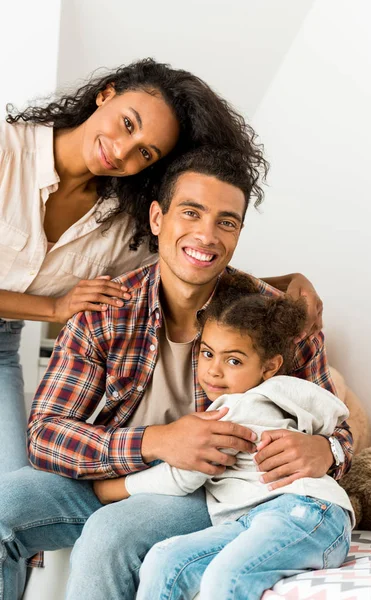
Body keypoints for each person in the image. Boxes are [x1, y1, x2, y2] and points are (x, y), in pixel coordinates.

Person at [0, 148, 352, 600]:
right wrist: (155, 441)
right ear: (157, 219)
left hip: (212, 491)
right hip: (115, 471)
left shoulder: (276, 322)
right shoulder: (104, 312)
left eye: (226, 222)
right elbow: (45, 436)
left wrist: (326, 450)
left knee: (111, 536)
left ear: (239, 233)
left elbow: (338, 428)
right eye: (191, 212)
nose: (206, 236)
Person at [0, 56, 279, 474]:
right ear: (105, 93)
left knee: (13, 484)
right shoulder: (7, 150)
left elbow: (189, 272)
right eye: (128, 124)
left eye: (145, 152)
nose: (122, 151)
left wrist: (289, 285)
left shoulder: (125, 222)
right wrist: (54, 310)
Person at [94, 273, 354, 600]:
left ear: (270, 366)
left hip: (306, 514)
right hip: (248, 518)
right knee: (163, 561)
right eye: (207, 354)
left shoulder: (237, 412)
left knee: (225, 579)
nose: (214, 370)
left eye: (233, 360)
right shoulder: (275, 397)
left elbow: (181, 476)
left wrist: (110, 488)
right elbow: (330, 412)